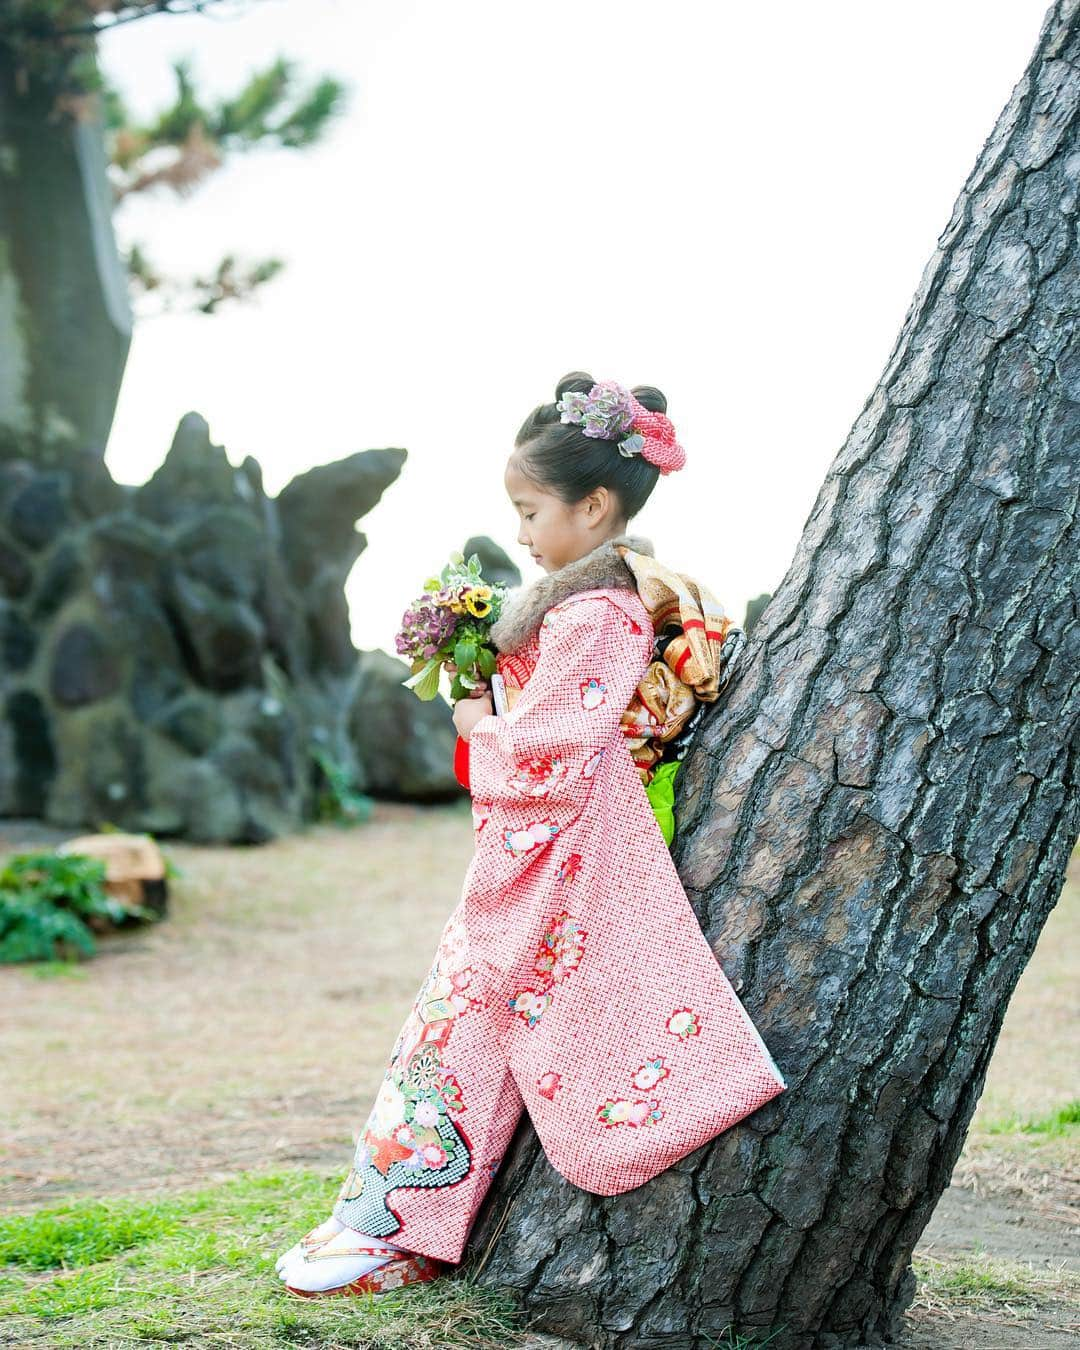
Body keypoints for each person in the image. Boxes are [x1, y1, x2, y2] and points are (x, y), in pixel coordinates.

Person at [276, 372, 787, 1298]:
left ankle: (401, 1233)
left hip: (571, 843)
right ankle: (383, 1218)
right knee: (459, 1026)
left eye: (529, 510)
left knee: (469, 1027)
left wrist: (476, 722)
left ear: (594, 506)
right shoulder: (589, 601)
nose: (518, 533)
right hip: (549, 841)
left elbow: (555, 746)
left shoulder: (598, 610)